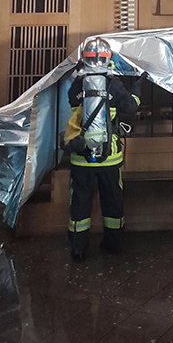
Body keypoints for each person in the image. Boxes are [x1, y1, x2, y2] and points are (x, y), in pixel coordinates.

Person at [64, 40, 142, 262]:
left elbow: (70, 110)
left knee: (79, 203)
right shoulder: (114, 84)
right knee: (112, 202)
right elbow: (131, 107)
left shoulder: (77, 85)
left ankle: (78, 250)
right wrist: (137, 85)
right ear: (108, 59)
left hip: (80, 157)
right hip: (110, 157)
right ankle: (113, 244)